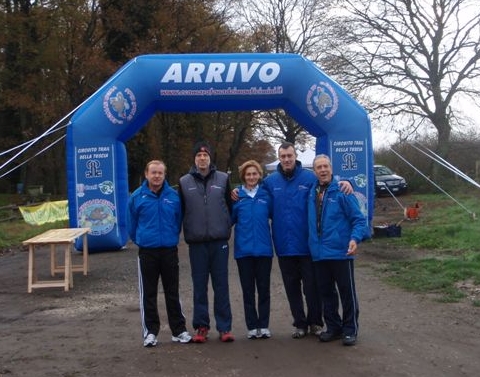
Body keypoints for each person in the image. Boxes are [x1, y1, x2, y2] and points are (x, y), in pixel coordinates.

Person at [233, 142, 352, 339]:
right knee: (292, 289)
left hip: (306, 244)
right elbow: (251, 188)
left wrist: (347, 181)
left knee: (311, 288)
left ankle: (315, 322)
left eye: (289, 155)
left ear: (295, 156)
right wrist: (237, 191)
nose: (286, 159)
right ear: (279, 158)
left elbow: (328, 181)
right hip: (283, 245)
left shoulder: (309, 177)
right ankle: (300, 324)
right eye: (283, 156)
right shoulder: (270, 182)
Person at [127, 160, 192, 347]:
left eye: (160, 173)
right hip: (147, 251)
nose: (157, 176)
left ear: (165, 175)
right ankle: (150, 332)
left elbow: (178, 220)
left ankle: (178, 330)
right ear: (146, 174)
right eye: (153, 172)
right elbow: (131, 224)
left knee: (173, 292)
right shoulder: (137, 197)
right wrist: (141, 239)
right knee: (148, 293)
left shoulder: (173, 196)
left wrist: (171, 237)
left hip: (169, 250)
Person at [307, 154, 369, 346]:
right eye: (319, 167)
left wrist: (354, 239)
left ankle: (350, 329)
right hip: (319, 253)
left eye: (326, 166)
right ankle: (333, 327)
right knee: (326, 293)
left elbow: (359, 219)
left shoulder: (343, 190)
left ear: (332, 169)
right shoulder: (311, 191)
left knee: (346, 293)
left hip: (341, 252)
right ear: (314, 171)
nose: (323, 170)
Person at [178, 141, 235, 343]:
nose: (202, 158)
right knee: (199, 286)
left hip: (219, 241)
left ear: (210, 158)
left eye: (206, 155)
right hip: (197, 243)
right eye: (199, 155)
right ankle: (201, 326)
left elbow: (230, 206)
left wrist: (226, 226)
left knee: (221, 286)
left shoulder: (223, 178)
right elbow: (181, 210)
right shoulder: (184, 182)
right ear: (194, 159)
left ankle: (224, 327)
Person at [232, 160, 274, 340]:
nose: (251, 177)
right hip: (244, 251)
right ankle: (252, 326)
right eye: (248, 174)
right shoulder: (236, 197)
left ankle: (263, 325)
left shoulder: (266, 195)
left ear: (259, 175)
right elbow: (230, 219)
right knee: (248, 290)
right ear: (243, 176)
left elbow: (275, 215)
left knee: (264, 289)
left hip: (264, 250)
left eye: (254, 174)